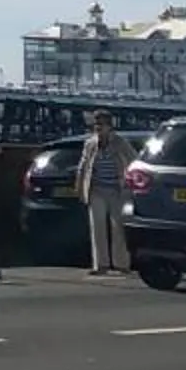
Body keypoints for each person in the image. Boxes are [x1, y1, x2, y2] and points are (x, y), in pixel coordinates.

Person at [75, 109, 134, 275]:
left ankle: (122, 264)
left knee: (118, 228)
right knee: (97, 227)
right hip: (96, 190)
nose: (98, 128)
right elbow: (83, 166)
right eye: (96, 124)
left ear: (109, 126)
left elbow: (133, 160)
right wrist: (80, 187)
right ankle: (101, 265)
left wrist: (130, 183)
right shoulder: (90, 144)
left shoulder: (120, 142)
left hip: (117, 190)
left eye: (101, 124)